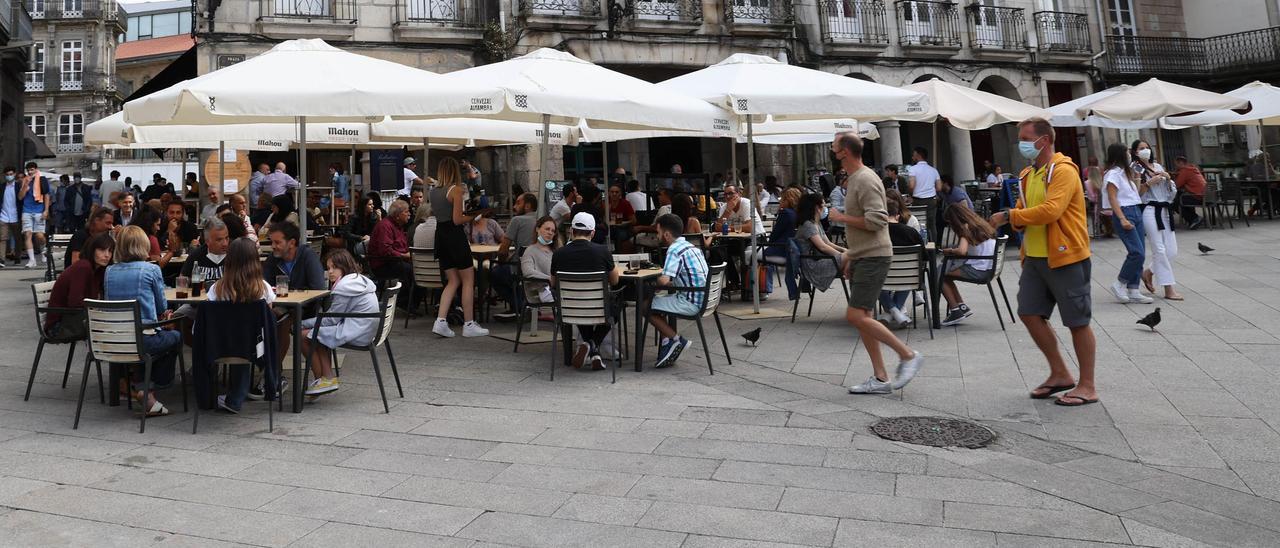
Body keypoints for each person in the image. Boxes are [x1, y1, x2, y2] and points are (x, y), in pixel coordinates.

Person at [988, 118, 1097, 406]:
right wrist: (1017, 220)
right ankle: (1060, 373)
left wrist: (1010, 217)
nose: (1021, 144)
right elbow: (1025, 211)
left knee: (1077, 321)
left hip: (1066, 255)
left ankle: (1087, 385)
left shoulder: (1063, 171)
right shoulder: (1027, 174)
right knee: (1028, 312)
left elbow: (1051, 210)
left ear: (1044, 140)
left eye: (1025, 138)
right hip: (1034, 257)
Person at [827, 132, 922, 395]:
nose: (831, 149)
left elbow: (878, 220)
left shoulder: (865, 179)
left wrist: (841, 218)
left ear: (844, 151)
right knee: (864, 317)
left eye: (834, 146)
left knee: (855, 315)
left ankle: (907, 355)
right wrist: (851, 256)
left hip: (874, 255)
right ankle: (880, 379)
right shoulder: (857, 178)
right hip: (864, 254)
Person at [105, 225, 180, 416]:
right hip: (142, 339)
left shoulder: (109, 271)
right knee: (174, 337)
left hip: (115, 340)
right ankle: (150, 389)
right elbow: (162, 306)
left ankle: (144, 391)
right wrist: (166, 316)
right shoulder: (151, 269)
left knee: (145, 339)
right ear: (143, 245)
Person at [204, 238, 277, 413]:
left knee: (238, 337)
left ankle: (233, 396)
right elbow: (267, 319)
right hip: (255, 348)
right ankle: (237, 397)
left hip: (219, 345)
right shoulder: (263, 289)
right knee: (249, 336)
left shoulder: (216, 289)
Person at [300, 249, 378, 398]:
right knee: (315, 332)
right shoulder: (357, 279)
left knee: (303, 335)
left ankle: (323, 380)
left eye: (334, 267)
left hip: (358, 332)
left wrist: (303, 323)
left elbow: (331, 319)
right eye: (328, 268)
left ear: (344, 266)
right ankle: (326, 378)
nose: (330, 272)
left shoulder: (345, 287)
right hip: (366, 328)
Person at [552, 212, 620, 370]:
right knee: (616, 306)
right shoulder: (602, 251)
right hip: (598, 309)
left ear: (571, 231)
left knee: (579, 303)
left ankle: (591, 348)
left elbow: (553, 283)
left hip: (570, 310)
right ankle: (592, 344)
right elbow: (615, 281)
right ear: (593, 233)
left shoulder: (559, 254)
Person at [430, 157, 489, 338]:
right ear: (455, 171)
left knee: (452, 281)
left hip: (440, 234)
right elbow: (457, 220)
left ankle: (440, 321)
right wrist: (475, 215)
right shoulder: (455, 190)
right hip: (454, 235)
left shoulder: (433, 191)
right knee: (468, 280)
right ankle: (469, 323)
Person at [645, 213, 710, 369]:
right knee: (657, 302)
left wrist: (656, 277)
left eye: (658, 232)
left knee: (645, 305)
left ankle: (676, 339)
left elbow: (663, 281)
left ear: (667, 234)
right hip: (705, 299)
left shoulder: (674, 250)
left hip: (691, 302)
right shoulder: (691, 246)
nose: (657, 235)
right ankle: (667, 343)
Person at [1100, 143, 1153, 304]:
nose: (1130, 155)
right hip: (1125, 212)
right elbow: (1112, 197)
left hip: (1136, 210)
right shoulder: (1113, 174)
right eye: (1127, 152)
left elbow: (1135, 193)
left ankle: (1134, 288)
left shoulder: (1125, 173)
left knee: (1141, 251)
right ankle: (1120, 283)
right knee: (1137, 253)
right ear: (1120, 155)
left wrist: (1137, 177)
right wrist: (1122, 218)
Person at [1131, 140, 1182, 301]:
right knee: (1159, 249)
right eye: (1141, 148)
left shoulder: (1158, 166)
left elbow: (1171, 192)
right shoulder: (1135, 168)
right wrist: (1148, 183)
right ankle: (1168, 288)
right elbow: (1136, 193)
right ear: (1135, 152)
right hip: (1150, 210)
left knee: (1171, 250)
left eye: (1147, 148)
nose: (1145, 150)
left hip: (1165, 209)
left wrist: (1168, 179)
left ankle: (1148, 272)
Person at [938, 205, 998, 326]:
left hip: (980, 270)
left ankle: (955, 311)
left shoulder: (965, 229)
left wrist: (949, 251)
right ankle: (962, 307)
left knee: (940, 273)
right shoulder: (980, 224)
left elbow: (962, 251)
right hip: (989, 267)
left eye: (950, 222)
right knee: (945, 274)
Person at [47, 233, 114, 340]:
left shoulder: (98, 269)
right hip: (59, 326)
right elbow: (75, 303)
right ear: (92, 250)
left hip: (75, 319)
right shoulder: (83, 267)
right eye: (102, 250)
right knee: (113, 329)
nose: (107, 255)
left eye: (110, 251)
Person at [877, 198, 922, 328]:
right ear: (897, 215)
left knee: (871, 278)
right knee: (911, 272)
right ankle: (896, 313)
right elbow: (923, 258)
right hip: (908, 279)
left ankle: (890, 313)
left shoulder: (876, 234)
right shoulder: (911, 232)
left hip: (882, 279)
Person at [795, 193, 848, 299]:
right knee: (853, 259)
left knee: (854, 262)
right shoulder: (808, 225)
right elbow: (822, 247)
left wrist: (844, 250)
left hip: (821, 260)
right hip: (813, 265)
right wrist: (842, 256)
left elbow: (828, 243)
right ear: (817, 207)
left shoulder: (816, 223)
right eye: (824, 205)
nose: (825, 208)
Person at [759, 187, 802, 299]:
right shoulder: (798, 214)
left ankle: (763, 289)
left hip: (782, 250)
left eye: (782, 199)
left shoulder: (785, 213)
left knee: (756, 256)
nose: (779, 201)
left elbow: (774, 235)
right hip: (795, 250)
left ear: (788, 200)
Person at [520, 216, 558, 306]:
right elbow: (527, 272)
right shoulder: (530, 250)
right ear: (537, 229)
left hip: (555, 289)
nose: (550, 232)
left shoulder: (555, 251)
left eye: (553, 231)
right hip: (540, 292)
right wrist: (550, 279)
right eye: (547, 229)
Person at [181, 218, 232, 285]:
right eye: (219, 240)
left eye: (226, 238)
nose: (225, 243)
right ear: (207, 241)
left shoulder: (235, 254)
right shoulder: (196, 256)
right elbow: (181, 281)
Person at [20, 163, 50, 268]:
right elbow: (20, 197)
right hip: (26, 210)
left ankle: (44, 250)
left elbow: (46, 195)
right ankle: (32, 260)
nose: (30, 172)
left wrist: (46, 210)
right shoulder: (25, 180)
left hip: (39, 210)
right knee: (27, 234)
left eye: (32, 170)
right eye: (28, 170)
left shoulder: (42, 179)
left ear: (36, 169)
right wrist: (25, 186)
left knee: (39, 235)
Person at [906, 147, 940, 235]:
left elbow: (911, 185)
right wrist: (930, 191)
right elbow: (939, 187)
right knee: (932, 225)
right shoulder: (933, 170)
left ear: (918, 156)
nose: (912, 157)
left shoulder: (913, 169)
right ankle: (933, 246)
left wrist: (910, 195)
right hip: (931, 200)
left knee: (918, 224)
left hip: (918, 201)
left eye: (913, 155)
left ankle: (921, 245)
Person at [1172, 156, 1206, 229]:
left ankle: (1194, 218)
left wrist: (1175, 176)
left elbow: (1176, 185)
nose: (1176, 166)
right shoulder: (1192, 169)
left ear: (1180, 163)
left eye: (1176, 164)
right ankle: (1192, 220)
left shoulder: (1184, 171)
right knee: (1181, 198)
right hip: (1204, 196)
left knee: (1175, 203)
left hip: (1197, 196)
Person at [1, 167, 22, 266]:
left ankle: (17, 257)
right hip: (3, 215)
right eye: (7, 174)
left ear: (14, 174)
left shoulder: (18, 186)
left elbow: (21, 200)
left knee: (17, 237)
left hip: (15, 215)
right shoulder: (2, 187)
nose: (9, 176)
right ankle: (1, 259)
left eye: (11, 174)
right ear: (5, 175)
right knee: (2, 238)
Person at [606, 183, 636, 249]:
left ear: (620, 193)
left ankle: (618, 254)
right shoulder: (605, 203)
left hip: (623, 228)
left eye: (616, 192)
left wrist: (624, 223)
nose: (614, 194)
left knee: (620, 234)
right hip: (609, 227)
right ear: (608, 193)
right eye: (612, 192)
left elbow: (634, 221)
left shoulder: (625, 203)